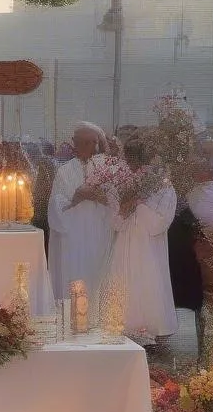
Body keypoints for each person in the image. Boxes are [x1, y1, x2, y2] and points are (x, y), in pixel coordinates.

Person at [104, 139, 177, 340]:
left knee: (147, 280)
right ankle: (123, 325)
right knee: (124, 280)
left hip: (148, 246)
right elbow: (115, 223)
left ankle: (151, 329)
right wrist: (125, 208)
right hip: (125, 242)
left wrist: (140, 204)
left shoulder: (164, 188)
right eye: (131, 161)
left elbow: (159, 224)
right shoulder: (120, 185)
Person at [47, 123, 112, 318]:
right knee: (73, 276)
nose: (82, 146)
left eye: (88, 142)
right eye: (79, 142)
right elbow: (55, 206)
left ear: (96, 144)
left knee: (97, 276)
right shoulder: (64, 171)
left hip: (98, 232)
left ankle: (97, 320)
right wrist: (76, 198)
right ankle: (71, 319)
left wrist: (100, 196)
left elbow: (117, 200)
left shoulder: (105, 168)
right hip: (73, 236)